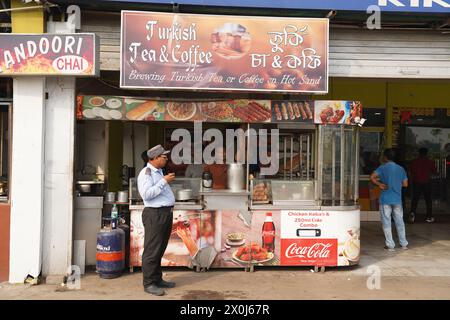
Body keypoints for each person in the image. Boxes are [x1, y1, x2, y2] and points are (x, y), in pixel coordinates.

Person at [137, 144, 176, 296]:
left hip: (164, 214)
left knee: (160, 249)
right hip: (155, 214)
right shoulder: (146, 173)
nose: (166, 159)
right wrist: (164, 181)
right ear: (154, 158)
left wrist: (163, 180)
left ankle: (157, 279)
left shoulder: (158, 172)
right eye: (163, 157)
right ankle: (149, 283)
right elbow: (147, 194)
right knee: (152, 250)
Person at [370, 148, 409, 251]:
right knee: (400, 221)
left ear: (385, 157)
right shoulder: (401, 169)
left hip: (385, 199)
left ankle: (390, 245)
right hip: (397, 199)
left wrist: (380, 184)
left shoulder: (382, 168)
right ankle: (404, 244)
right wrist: (396, 184)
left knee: (386, 222)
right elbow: (405, 184)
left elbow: (372, 177)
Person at [409, 147, 437, 223]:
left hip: (416, 182)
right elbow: (434, 171)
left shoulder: (414, 161)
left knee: (415, 199)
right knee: (428, 200)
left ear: (419, 153)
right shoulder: (430, 162)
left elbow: (411, 171)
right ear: (426, 153)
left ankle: (412, 214)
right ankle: (429, 217)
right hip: (426, 182)